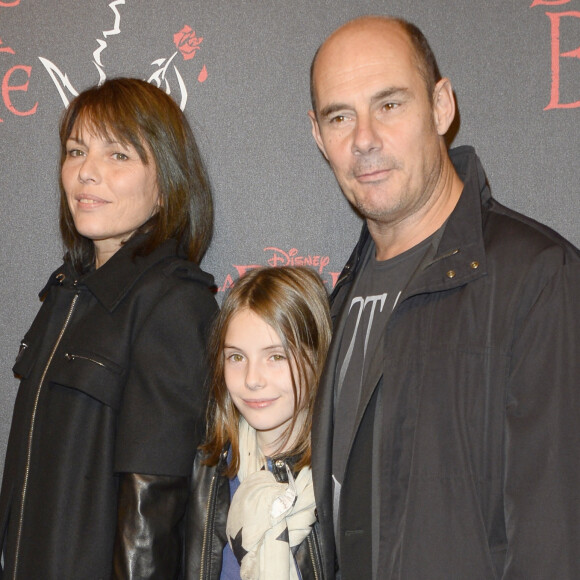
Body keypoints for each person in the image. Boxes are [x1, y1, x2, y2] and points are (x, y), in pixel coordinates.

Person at [307, 15, 580, 580]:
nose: (364, 139)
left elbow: (556, 540)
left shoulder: (537, 277)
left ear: (441, 106)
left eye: (389, 105)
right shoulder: (341, 298)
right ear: (318, 136)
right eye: (340, 116)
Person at [0, 77, 219, 579]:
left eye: (117, 155)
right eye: (76, 151)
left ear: (165, 184)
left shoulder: (173, 303)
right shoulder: (64, 293)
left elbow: (154, 510)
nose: (86, 173)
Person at [184, 266, 332, 579]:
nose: (252, 379)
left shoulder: (340, 478)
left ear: (316, 356)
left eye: (275, 356)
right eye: (236, 357)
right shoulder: (207, 468)